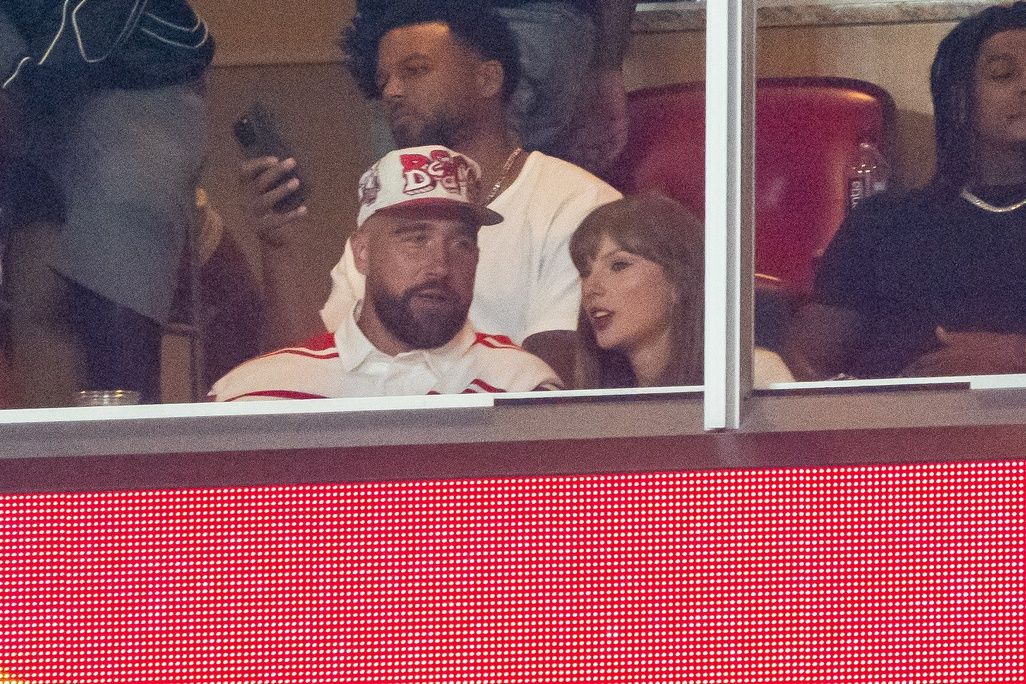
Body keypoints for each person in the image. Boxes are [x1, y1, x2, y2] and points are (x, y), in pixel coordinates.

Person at [243, 0, 621, 383]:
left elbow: (554, 401)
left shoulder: (577, 204)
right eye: (383, 80)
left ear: (487, 79)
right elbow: (304, 377)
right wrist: (280, 247)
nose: (391, 91)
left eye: (415, 70)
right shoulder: (387, 219)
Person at [783, 1, 1026, 380]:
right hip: (898, 433)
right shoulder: (884, 224)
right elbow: (802, 362)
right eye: (1002, 74)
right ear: (961, 100)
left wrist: (1016, 355)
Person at [211, 146, 562, 401]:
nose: (440, 266)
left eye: (460, 243)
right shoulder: (259, 394)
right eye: (415, 238)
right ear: (362, 252)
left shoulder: (523, 389)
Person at [0, 1, 214, 405]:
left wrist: (17, 89)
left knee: (107, 336)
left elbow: (79, 39)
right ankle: (58, 454)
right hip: (49, 91)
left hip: (137, 86)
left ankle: (117, 456)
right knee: (40, 312)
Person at [570, 193, 795, 389]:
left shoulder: (750, 377)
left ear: (678, 281)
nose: (591, 287)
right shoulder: (599, 400)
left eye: (619, 265)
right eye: (584, 272)